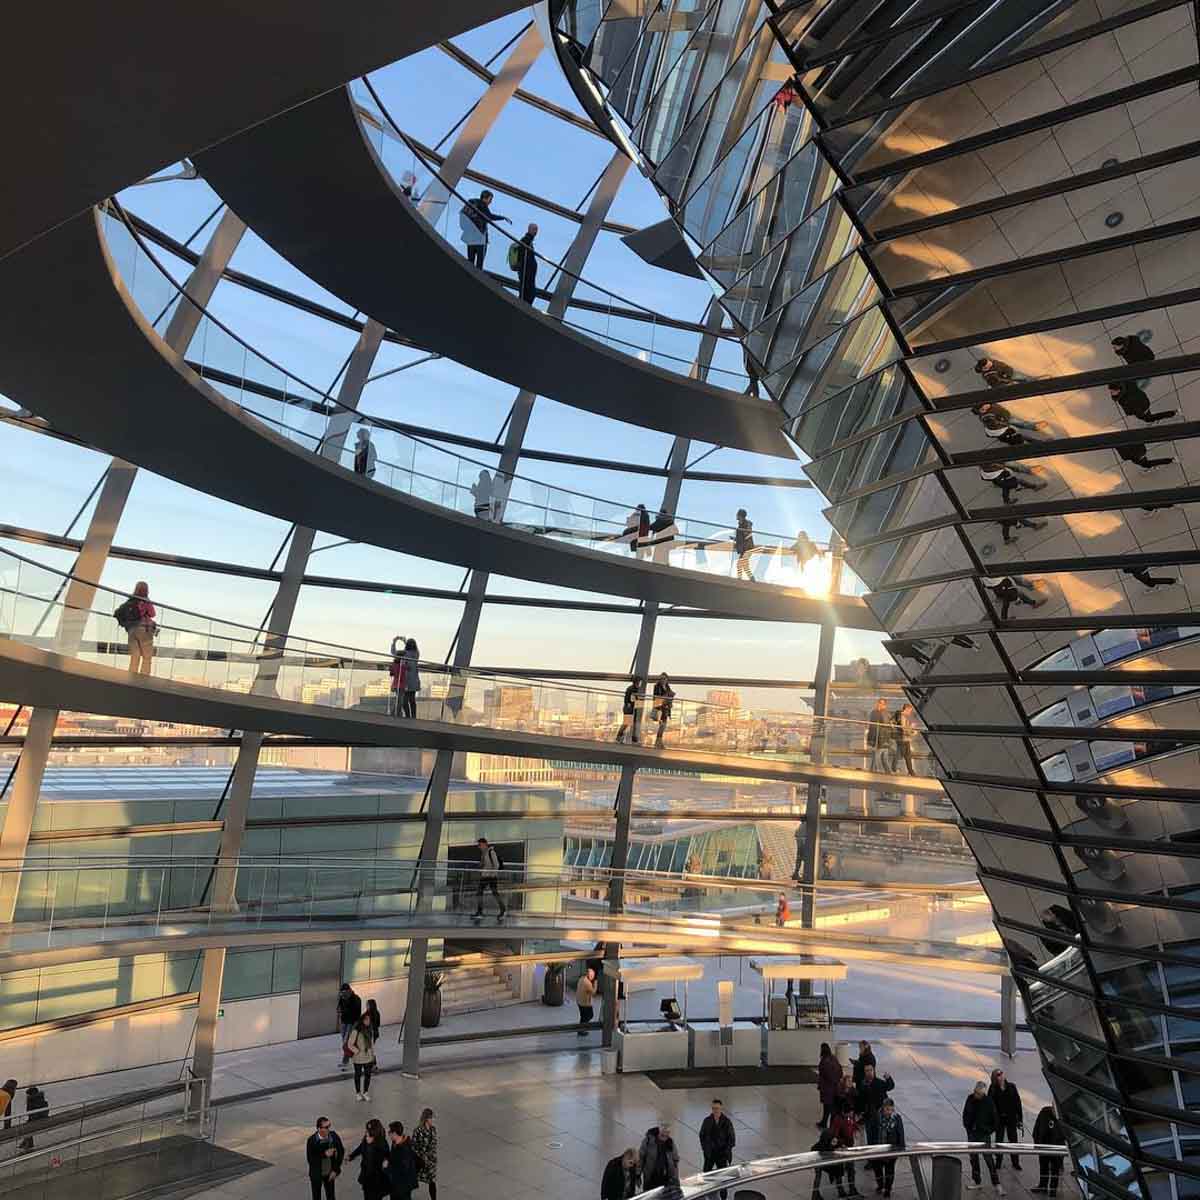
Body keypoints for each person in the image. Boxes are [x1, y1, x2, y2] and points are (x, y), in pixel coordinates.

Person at [962, 1080, 1002, 1191]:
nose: (976, 1095)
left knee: (988, 1159)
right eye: (975, 1092)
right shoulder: (970, 1099)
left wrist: (987, 1131)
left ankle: (996, 1183)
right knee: (973, 1158)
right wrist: (968, 1127)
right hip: (972, 1134)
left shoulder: (989, 1102)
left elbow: (995, 1120)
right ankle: (977, 1181)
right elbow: (965, 1114)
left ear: (983, 1093)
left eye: (978, 1094)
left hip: (983, 1135)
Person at [459, 190, 510, 269]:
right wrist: (503, 218)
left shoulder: (472, 202)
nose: (491, 202)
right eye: (490, 199)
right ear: (485, 198)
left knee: (470, 261)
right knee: (479, 263)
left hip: (470, 237)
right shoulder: (483, 206)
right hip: (480, 238)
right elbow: (490, 217)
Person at [117, 581, 157, 675]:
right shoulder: (145, 600)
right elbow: (152, 614)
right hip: (144, 628)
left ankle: (132, 677)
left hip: (131, 630)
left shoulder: (130, 600)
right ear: (146, 590)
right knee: (147, 657)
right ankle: (144, 679)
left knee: (135, 656)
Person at [699, 1099, 736, 1198]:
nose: (715, 1110)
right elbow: (702, 1135)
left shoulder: (727, 1122)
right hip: (710, 1154)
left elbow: (731, 1139)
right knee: (706, 1175)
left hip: (722, 1154)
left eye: (717, 1108)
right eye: (714, 1108)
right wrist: (705, 1149)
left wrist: (726, 1151)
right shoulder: (707, 1121)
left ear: (721, 1108)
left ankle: (723, 1197)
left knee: (723, 1177)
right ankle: (706, 1194)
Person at [988, 1069, 1023, 1170]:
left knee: (1013, 1141)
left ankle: (1015, 1162)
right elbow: (990, 1104)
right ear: (995, 1077)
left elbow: (1018, 1102)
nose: (1001, 1075)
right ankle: (998, 1162)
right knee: (999, 1140)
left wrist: (1020, 1118)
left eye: (1002, 1073)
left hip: (1011, 1118)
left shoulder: (1012, 1086)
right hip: (999, 1119)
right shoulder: (993, 1088)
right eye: (998, 1074)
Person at [348, 1118, 390, 1200]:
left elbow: (387, 1157)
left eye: (369, 1131)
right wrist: (351, 1156)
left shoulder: (382, 1143)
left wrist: (386, 1161)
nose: (367, 1133)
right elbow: (360, 1148)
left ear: (375, 1132)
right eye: (367, 1130)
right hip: (366, 1176)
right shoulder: (366, 1138)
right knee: (366, 1196)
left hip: (377, 1180)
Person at [307, 1116, 346, 1200]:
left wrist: (335, 1170)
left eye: (329, 1126)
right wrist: (324, 1154)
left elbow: (341, 1151)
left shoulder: (333, 1136)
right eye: (326, 1127)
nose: (329, 1129)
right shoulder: (312, 1141)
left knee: (331, 1196)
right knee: (316, 1196)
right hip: (316, 1174)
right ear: (319, 1129)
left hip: (329, 1173)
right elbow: (311, 1160)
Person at [874, 1099, 906, 1198]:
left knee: (889, 1171)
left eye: (891, 1109)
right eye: (887, 1109)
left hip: (891, 1149)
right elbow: (872, 1131)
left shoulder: (896, 1118)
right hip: (878, 1149)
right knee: (877, 1169)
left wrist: (901, 1147)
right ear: (883, 1108)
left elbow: (900, 1132)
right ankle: (880, 1185)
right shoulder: (877, 1117)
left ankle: (888, 1189)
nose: (889, 1112)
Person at [829, 1100, 862, 1198]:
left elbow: (854, 1126)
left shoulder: (850, 1117)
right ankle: (840, 1191)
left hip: (849, 1147)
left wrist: (856, 1130)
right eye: (851, 1112)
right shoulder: (838, 1120)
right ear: (845, 1112)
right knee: (839, 1170)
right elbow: (834, 1135)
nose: (852, 1114)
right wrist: (841, 1144)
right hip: (841, 1149)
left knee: (851, 1169)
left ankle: (852, 1188)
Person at [1031, 1106, 1065, 1195]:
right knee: (1043, 1167)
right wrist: (1036, 1143)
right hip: (1043, 1145)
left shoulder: (1063, 1116)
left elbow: (1066, 1134)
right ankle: (1043, 1186)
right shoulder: (1044, 1112)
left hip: (1057, 1148)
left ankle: (1053, 1190)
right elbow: (1036, 1127)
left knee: (1055, 1169)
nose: (1055, 1110)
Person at [857, 1063, 895, 1141]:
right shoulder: (862, 1084)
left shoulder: (879, 1082)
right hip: (868, 1116)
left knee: (880, 1138)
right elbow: (860, 1100)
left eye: (871, 1070)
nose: (869, 1072)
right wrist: (859, 1112)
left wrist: (889, 1078)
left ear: (874, 1071)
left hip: (880, 1115)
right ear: (864, 1072)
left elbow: (890, 1086)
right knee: (870, 1138)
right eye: (867, 1071)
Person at [385, 1122, 422, 1200]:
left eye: (390, 1132)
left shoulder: (405, 1150)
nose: (388, 1134)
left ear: (395, 1133)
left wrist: (386, 1168)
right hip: (397, 1184)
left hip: (403, 1186)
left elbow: (402, 1170)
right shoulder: (395, 1142)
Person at [1108, 381, 1174, 423]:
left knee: (1148, 419)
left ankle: (1172, 413)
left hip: (1142, 407)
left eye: (1112, 392)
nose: (1111, 393)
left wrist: (1137, 414)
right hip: (1143, 401)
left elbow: (1130, 411)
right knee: (1148, 416)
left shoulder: (1123, 400)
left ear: (1118, 390)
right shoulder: (1126, 385)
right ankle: (1171, 413)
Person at [639, 1122, 680, 1190]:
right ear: (659, 1131)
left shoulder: (670, 1142)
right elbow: (641, 1157)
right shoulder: (648, 1140)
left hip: (665, 1178)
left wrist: (676, 1180)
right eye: (663, 1133)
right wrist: (638, 1174)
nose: (665, 1135)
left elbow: (675, 1162)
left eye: (667, 1133)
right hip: (650, 1177)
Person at [345, 1014, 376, 1102]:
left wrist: (373, 1055)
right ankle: (358, 1093)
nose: (368, 1021)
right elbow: (349, 1044)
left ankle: (365, 1092)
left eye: (369, 1020)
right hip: (358, 1057)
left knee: (367, 1075)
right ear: (362, 1020)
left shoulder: (370, 1030)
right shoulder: (356, 1030)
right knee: (358, 1075)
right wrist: (357, 1051)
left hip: (368, 1057)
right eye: (366, 1020)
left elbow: (371, 1044)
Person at [474, 836, 507, 918]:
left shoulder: (491, 852)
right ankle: (480, 911)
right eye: (479, 845)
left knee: (493, 893)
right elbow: (485, 864)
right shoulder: (484, 853)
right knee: (480, 892)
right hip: (485, 876)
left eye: (480, 845)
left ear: (485, 844)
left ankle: (502, 909)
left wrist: (492, 874)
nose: (479, 847)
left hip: (491, 876)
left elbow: (496, 865)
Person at [980, 464, 1045, 503]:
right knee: (1018, 481)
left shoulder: (985, 471)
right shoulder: (1000, 471)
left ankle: (1007, 501)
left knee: (1005, 487)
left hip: (998, 480)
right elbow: (1010, 473)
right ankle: (1034, 487)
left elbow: (984, 477)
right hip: (1002, 481)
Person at [810, 1129, 846, 1200]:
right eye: (833, 1140)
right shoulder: (820, 1147)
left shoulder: (835, 1142)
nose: (835, 1141)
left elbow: (841, 1145)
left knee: (838, 1171)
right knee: (818, 1176)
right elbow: (818, 1151)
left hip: (829, 1161)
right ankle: (815, 1195)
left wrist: (840, 1147)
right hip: (821, 1161)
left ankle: (840, 1190)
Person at [412, 1109, 438, 1200]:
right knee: (411, 1178)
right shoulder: (418, 1131)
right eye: (432, 1118)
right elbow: (414, 1147)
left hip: (431, 1161)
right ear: (427, 1119)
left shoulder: (433, 1129)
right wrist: (422, 1157)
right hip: (421, 1160)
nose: (433, 1120)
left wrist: (432, 1158)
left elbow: (434, 1145)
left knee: (432, 1181)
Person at [817, 1043, 843, 1129]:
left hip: (827, 1088)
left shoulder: (825, 1061)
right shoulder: (834, 1058)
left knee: (828, 1106)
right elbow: (840, 1071)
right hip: (834, 1087)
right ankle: (824, 1122)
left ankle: (828, 1124)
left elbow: (826, 1074)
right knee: (829, 1106)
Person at [337, 984, 362, 1068]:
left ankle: (346, 1061)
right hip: (344, 1022)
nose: (342, 994)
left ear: (349, 991)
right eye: (341, 993)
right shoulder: (342, 998)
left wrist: (355, 1026)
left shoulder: (356, 999)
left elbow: (356, 1014)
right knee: (346, 1042)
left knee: (346, 1043)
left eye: (344, 993)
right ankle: (351, 1059)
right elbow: (339, 1008)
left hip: (352, 1023)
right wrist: (340, 1014)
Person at [17, 1084, 48, 1151]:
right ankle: (26, 1142)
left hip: (36, 1119)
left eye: (27, 1095)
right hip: (43, 1118)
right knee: (27, 1124)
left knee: (27, 1127)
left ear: (30, 1094)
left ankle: (29, 1143)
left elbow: (29, 1112)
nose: (26, 1096)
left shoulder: (31, 1100)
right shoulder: (42, 1099)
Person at [513, 223, 538, 304]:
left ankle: (523, 304)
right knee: (528, 292)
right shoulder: (526, 240)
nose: (536, 232)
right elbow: (522, 255)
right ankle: (523, 305)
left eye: (536, 230)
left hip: (527, 272)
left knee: (529, 292)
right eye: (534, 229)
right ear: (529, 229)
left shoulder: (528, 241)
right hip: (526, 272)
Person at [616, 676, 644, 744]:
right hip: (629, 708)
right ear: (637, 682)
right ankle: (619, 737)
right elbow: (628, 699)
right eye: (640, 682)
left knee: (629, 723)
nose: (640, 683)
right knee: (626, 723)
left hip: (631, 708)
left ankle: (622, 737)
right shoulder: (631, 689)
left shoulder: (633, 688)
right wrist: (630, 704)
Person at [890, 704, 916, 775]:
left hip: (905, 738)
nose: (911, 711)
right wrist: (912, 732)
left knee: (904, 754)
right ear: (906, 709)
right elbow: (904, 728)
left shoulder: (907, 716)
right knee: (903, 754)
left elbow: (913, 724)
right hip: (902, 738)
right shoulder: (902, 716)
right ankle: (895, 768)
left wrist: (912, 729)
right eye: (910, 710)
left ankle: (910, 771)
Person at [866, 699, 891, 771]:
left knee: (881, 755)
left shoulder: (885, 713)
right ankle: (875, 770)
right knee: (878, 755)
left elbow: (885, 722)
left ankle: (878, 770)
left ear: (885, 705)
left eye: (882, 704)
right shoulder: (874, 712)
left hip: (883, 737)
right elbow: (872, 725)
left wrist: (881, 712)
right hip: (877, 737)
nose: (880, 705)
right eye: (879, 703)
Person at [651, 673, 675, 747]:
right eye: (661, 678)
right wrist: (666, 696)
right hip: (660, 708)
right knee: (662, 725)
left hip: (665, 709)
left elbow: (670, 696)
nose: (663, 680)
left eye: (664, 678)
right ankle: (658, 742)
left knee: (663, 726)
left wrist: (670, 697)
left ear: (667, 679)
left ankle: (659, 742)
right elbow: (656, 697)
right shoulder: (657, 686)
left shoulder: (668, 687)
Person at [401, 638, 420, 719]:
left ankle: (409, 717)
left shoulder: (407, 654)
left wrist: (396, 641)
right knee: (411, 700)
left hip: (408, 680)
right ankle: (412, 717)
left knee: (406, 700)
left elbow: (394, 652)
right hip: (412, 680)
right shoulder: (416, 654)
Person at [388, 637, 407, 718]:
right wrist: (405, 642)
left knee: (398, 700)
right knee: (400, 701)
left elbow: (391, 674)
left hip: (395, 685)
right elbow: (408, 653)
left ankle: (397, 714)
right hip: (401, 685)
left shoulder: (394, 665)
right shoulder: (403, 665)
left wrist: (394, 641)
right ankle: (395, 714)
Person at [734, 509, 755, 580]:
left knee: (740, 564)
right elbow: (743, 536)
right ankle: (751, 578)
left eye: (737, 514)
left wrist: (742, 535)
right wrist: (735, 539)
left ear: (740, 516)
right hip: (744, 548)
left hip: (747, 548)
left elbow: (747, 534)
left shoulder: (746, 523)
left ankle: (740, 579)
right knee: (744, 565)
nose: (736, 515)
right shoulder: (741, 525)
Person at [576, 965, 597, 1036]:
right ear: (590, 976)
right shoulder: (588, 983)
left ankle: (580, 1029)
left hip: (579, 1001)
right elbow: (593, 993)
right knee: (590, 1015)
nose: (593, 977)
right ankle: (581, 1029)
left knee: (583, 1016)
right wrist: (596, 984)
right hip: (585, 1003)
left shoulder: (582, 978)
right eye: (593, 976)